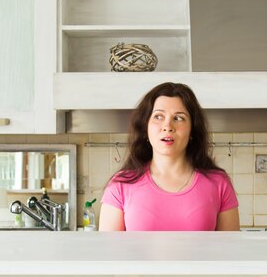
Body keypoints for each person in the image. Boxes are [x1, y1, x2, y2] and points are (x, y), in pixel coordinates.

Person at [99, 82, 240, 231]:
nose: (167, 126)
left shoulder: (219, 184)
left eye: (178, 118)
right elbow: (110, 253)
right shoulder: (120, 186)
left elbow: (229, 253)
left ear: (192, 130)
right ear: (146, 127)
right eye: (158, 116)